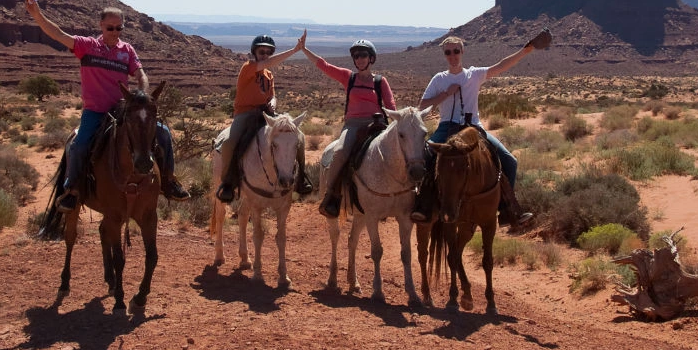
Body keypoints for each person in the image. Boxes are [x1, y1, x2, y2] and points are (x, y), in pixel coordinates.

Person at [25, 0, 190, 210]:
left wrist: (142, 93)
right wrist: (37, 14)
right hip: (95, 111)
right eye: (110, 27)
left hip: (121, 109)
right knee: (79, 145)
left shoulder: (127, 50)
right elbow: (58, 34)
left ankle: (169, 181)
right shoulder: (88, 46)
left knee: (164, 133)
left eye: (119, 28)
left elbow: (141, 74)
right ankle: (72, 190)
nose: (115, 32)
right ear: (101, 26)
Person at [411, 30, 551, 227]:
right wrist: (445, 94)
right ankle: (423, 206)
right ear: (444, 55)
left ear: (462, 52)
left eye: (456, 51)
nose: (452, 56)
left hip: (473, 128)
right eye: (448, 52)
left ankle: (506, 209)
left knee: (509, 161)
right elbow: (422, 106)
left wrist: (525, 50)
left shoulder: (474, 75)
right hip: (446, 127)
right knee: (425, 156)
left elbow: (502, 65)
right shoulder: (439, 79)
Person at [215, 31, 314, 203]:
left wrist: (273, 103)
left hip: (266, 114)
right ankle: (228, 183)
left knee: (299, 136)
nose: (265, 56)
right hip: (245, 114)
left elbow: (272, 95)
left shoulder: (269, 75)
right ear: (254, 53)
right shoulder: (248, 68)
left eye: (268, 53)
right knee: (229, 143)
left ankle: (300, 178)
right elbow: (269, 63)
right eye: (262, 52)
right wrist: (295, 49)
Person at [302, 38, 397, 217]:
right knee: (340, 152)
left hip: (377, 124)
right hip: (353, 125)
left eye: (363, 55)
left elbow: (391, 105)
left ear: (371, 58)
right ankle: (331, 196)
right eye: (356, 56)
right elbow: (324, 65)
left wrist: (399, 120)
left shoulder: (380, 81)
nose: (359, 59)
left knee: (398, 152)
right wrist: (304, 49)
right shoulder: (349, 77)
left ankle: (405, 195)